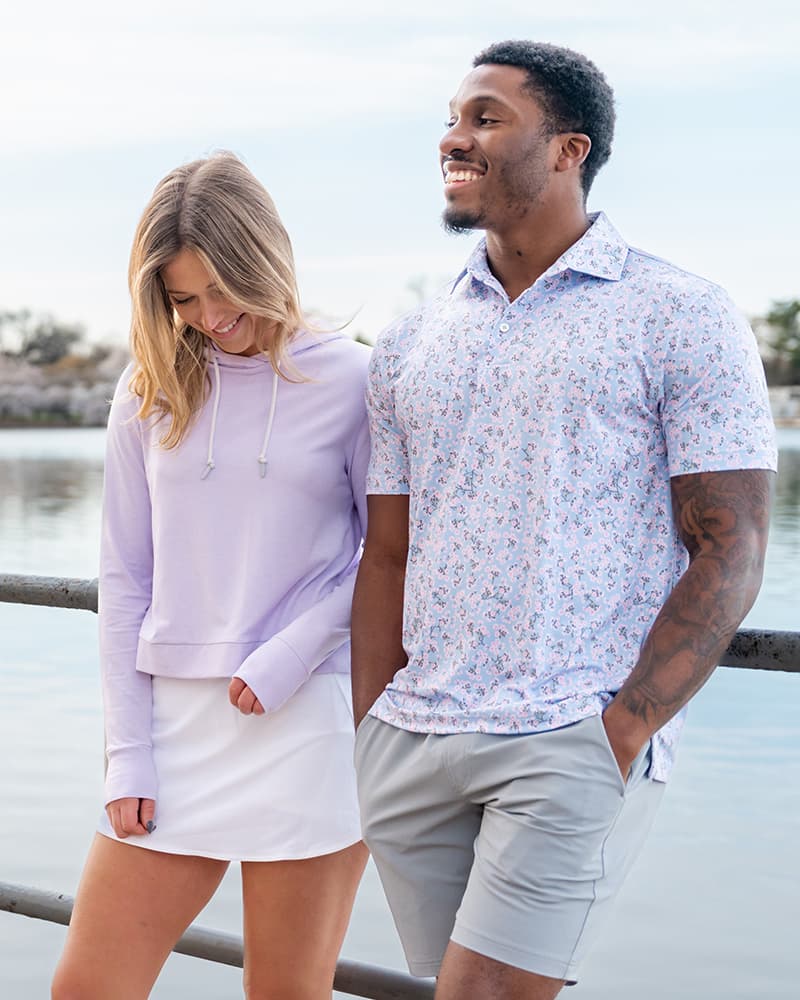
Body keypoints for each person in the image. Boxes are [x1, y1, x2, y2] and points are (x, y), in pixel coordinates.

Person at [351, 39, 777, 1000]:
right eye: (453, 120)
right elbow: (388, 553)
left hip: (565, 738)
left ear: (568, 149)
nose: (454, 139)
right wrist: (369, 725)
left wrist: (619, 735)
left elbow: (732, 547)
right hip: (412, 740)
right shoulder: (414, 339)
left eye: (486, 118)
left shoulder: (682, 314)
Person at [52, 152, 370, 1000]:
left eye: (224, 291)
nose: (210, 318)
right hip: (173, 725)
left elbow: (392, 558)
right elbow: (124, 577)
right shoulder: (148, 388)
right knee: (86, 989)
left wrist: (291, 653)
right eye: (183, 300)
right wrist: (127, 757)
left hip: (308, 719)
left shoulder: (356, 379)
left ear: (265, 261)